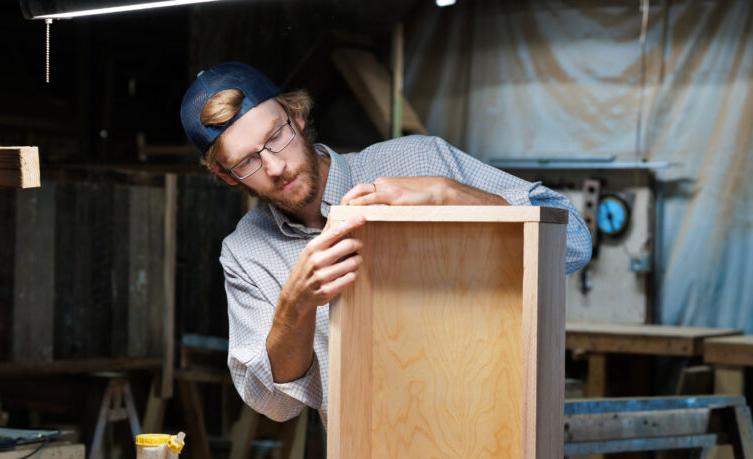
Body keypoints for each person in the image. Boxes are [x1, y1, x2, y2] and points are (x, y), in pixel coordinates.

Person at [180, 61, 591, 426]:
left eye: (276, 137)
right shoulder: (246, 253)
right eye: (247, 161)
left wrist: (449, 194)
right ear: (226, 176)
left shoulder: (420, 161)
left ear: (297, 115)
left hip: (493, 443)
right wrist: (296, 305)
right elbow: (274, 405)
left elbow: (573, 241)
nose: (275, 166)